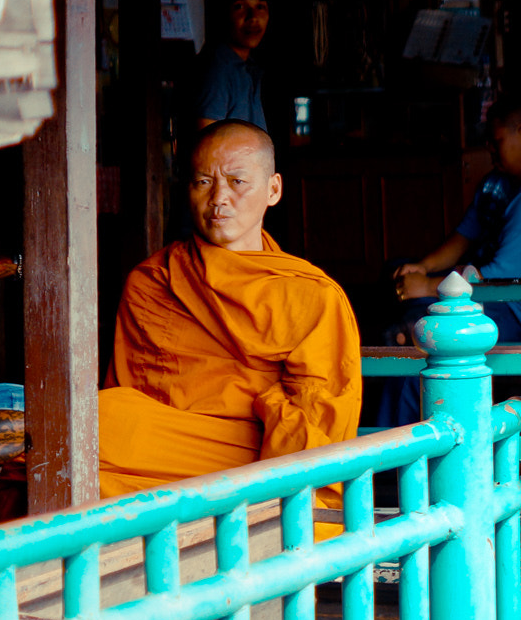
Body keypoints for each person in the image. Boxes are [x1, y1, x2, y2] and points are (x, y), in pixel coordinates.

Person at [100, 119, 360, 499]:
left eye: (237, 182)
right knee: (91, 427)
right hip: (161, 448)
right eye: (203, 182)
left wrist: (272, 413)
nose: (219, 198)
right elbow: (136, 396)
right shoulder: (155, 280)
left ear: (273, 190)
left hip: (256, 454)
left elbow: (318, 425)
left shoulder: (311, 295)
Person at [394, 96, 521, 342]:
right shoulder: (495, 183)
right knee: (395, 271)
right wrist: (424, 267)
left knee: (422, 331)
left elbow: (495, 278)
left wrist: (426, 286)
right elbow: (464, 237)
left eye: (497, 141)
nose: (490, 148)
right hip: (477, 288)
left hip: (513, 310)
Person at [194, 0, 271, 132]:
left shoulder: (248, 66)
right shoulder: (217, 69)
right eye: (240, 7)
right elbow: (208, 150)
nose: (253, 18)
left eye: (260, 7)